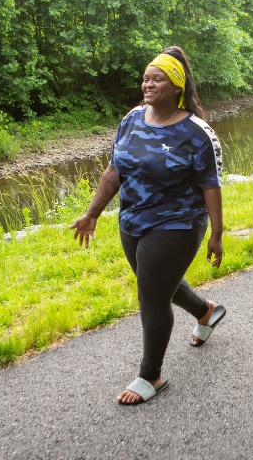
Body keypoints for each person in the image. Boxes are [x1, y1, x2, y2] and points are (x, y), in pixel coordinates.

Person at [69, 47, 227, 406]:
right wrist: (93, 213)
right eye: (145, 78)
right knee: (156, 284)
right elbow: (115, 169)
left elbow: (211, 186)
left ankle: (151, 375)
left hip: (178, 222)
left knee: (151, 296)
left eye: (157, 79)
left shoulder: (197, 132)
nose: (148, 84)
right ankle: (206, 311)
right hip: (133, 218)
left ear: (177, 86)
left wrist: (217, 233)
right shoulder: (132, 119)